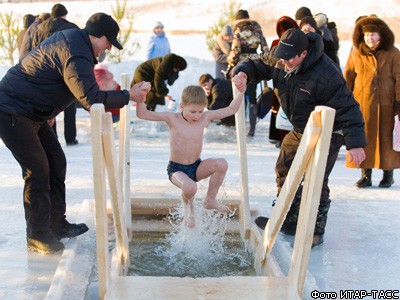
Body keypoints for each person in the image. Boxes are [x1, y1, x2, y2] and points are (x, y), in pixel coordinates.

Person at [0, 12, 148, 254]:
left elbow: (57, 81)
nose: (109, 47)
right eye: (108, 41)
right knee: (37, 170)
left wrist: (49, 109)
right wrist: (128, 96)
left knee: (56, 162)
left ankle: (56, 223)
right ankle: (37, 235)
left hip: (32, 111)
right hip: (12, 110)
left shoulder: (75, 42)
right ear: (97, 36)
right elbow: (90, 99)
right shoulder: (76, 52)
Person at [233, 28, 367, 247]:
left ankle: (315, 230)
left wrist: (356, 144)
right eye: (282, 58)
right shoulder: (279, 58)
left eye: (289, 59)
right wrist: (242, 72)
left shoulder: (327, 73)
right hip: (301, 127)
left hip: (329, 131)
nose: (284, 63)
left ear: (303, 54)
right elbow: (256, 64)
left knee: (315, 179)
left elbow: (349, 108)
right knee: (284, 167)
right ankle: (286, 219)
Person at [136, 73, 247, 228]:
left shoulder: (205, 117)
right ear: (182, 106)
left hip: (196, 166)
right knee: (190, 187)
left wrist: (241, 91)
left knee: (222, 164)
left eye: (200, 111)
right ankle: (189, 208)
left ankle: (210, 199)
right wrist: (142, 97)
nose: (197, 116)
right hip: (176, 170)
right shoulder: (172, 118)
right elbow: (142, 114)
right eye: (193, 111)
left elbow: (232, 109)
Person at [344, 15, 400, 188]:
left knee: (386, 140)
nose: (370, 38)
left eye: (373, 35)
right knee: (364, 139)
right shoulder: (356, 53)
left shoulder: (393, 53)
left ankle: (388, 175)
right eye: (367, 35)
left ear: (381, 35)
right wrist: (344, 101)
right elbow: (348, 78)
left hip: (387, 105)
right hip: (362, 105)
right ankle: (365, 175)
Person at [31, 3, 81, 146]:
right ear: (64, 15)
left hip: (45, 74)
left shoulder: (39, 29)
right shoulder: (72, 27)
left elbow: (35, 52)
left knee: (48, 108)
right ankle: (70, 137)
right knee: (69, 106)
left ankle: (52, 138)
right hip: (66, 72)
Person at [227, 9, 269, 137]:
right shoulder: (257, 29)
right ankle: (252, 129)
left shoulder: (238, 30)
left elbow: (235, 51)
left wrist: (230, 64)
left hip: (242, 64)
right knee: (252, 97)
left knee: (240, 93)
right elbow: (265, 48)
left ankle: (241, 125)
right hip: (255, 64)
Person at [268, 16, 298, 147]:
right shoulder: (275, 42)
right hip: (279, 78)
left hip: (291, 79)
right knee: (278, 107)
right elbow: (269, 60)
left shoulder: (299, 42)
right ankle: (278, 136)